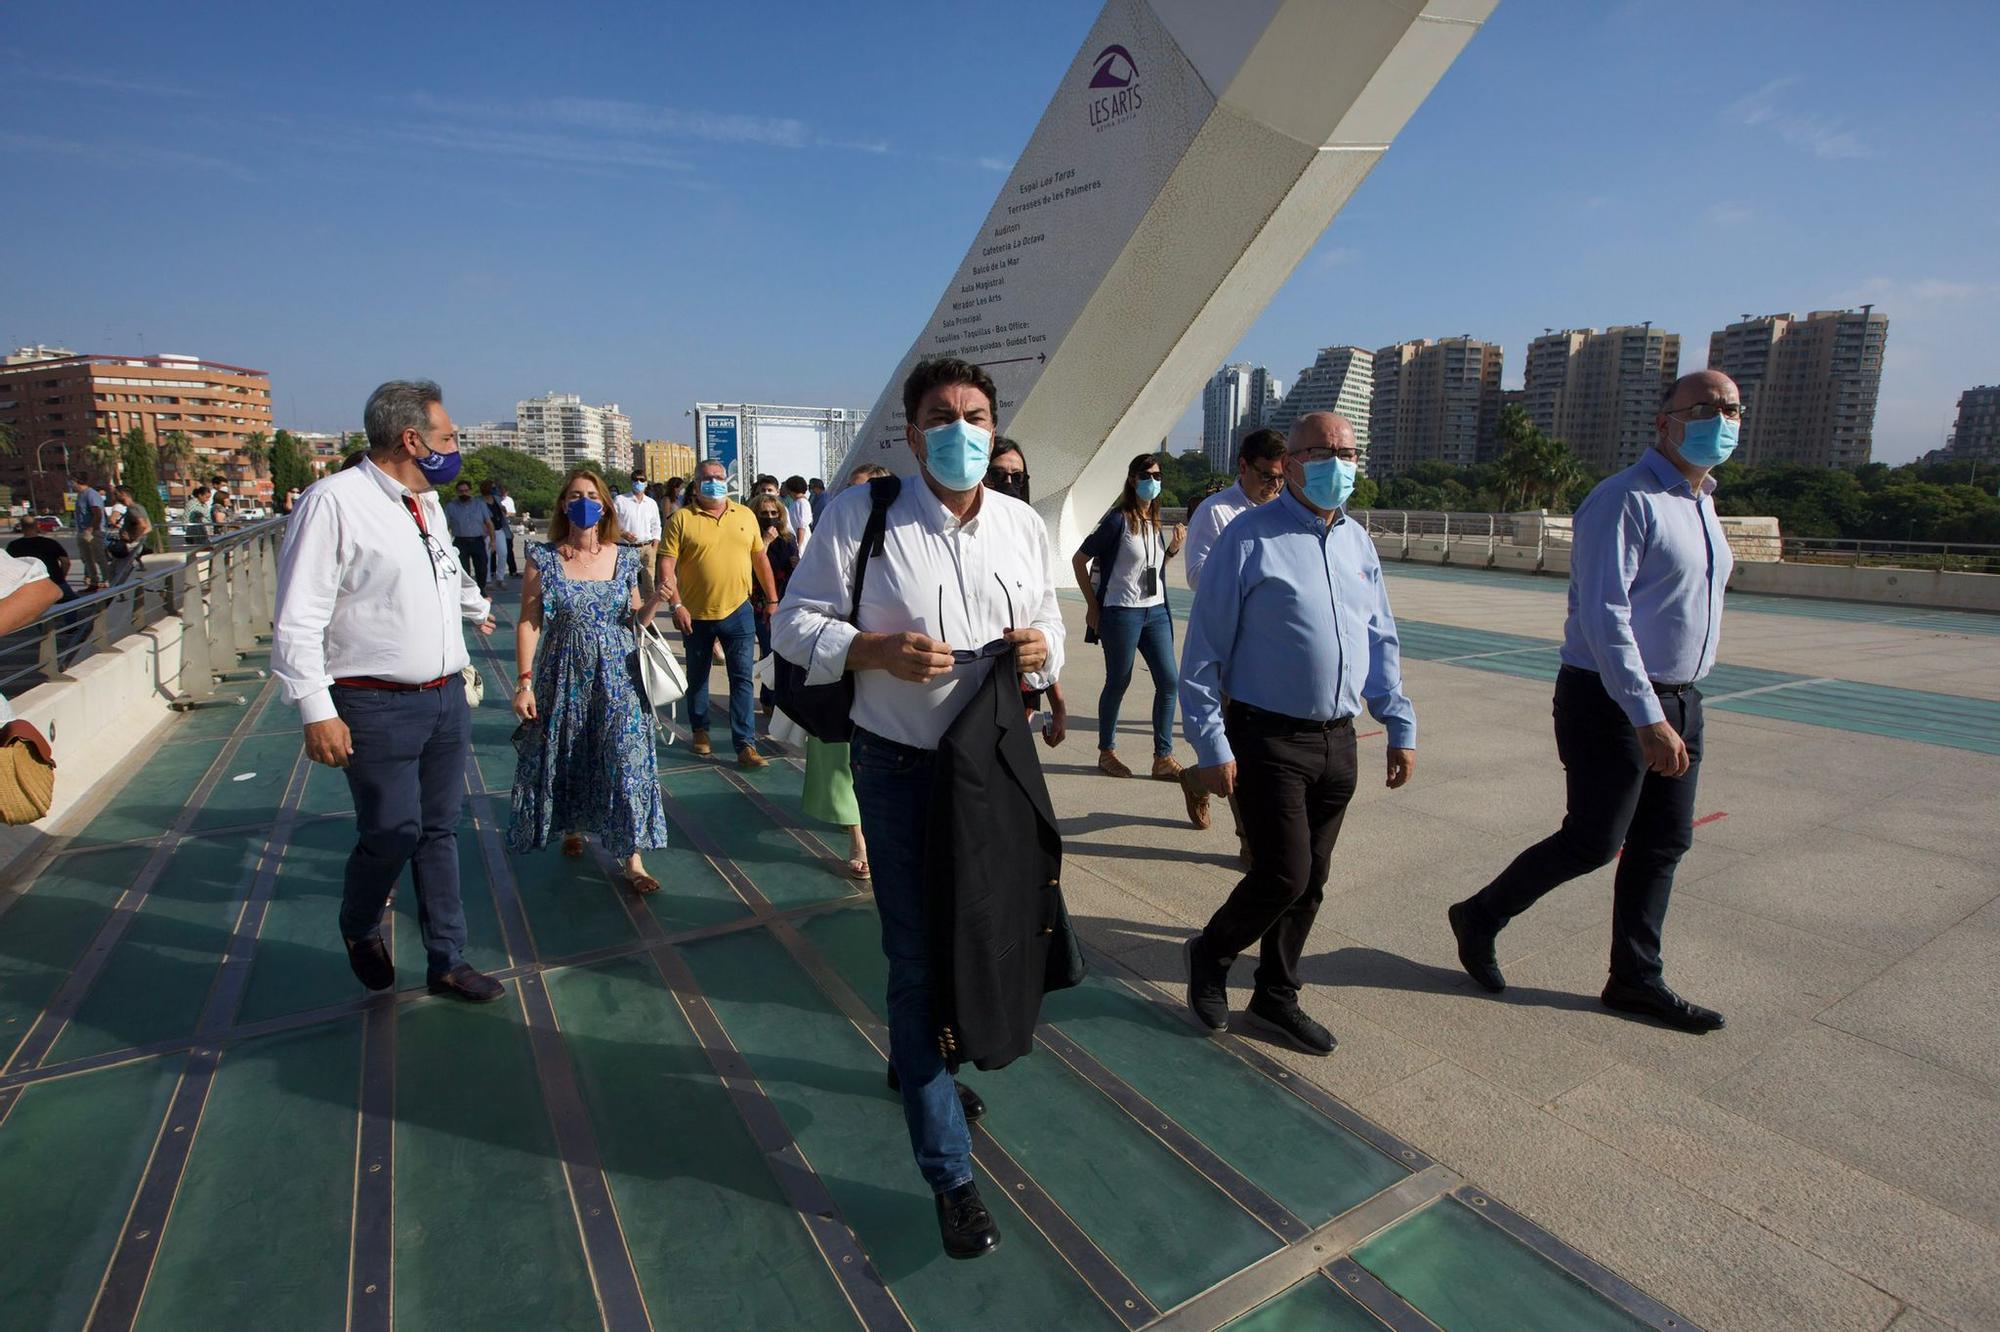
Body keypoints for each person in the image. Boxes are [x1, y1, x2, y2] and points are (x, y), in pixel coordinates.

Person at [775, 356, 1063, 1261]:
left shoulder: (1020, 524)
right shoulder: (861, 515)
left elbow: (1052, 639)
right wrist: (872, 650)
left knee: (987, 931)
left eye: (976, 415)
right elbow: (793, 625)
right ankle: (951, 1174)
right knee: (911, 957)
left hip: (996, 770)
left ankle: (922, 1059)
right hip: (898, 770)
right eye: (942, 415)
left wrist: (1038, 654)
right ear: (910, 432)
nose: (963, 429)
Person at [1447, 372, 1740, 1034]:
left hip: (1682, 698)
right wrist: (1648, 718)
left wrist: (1676, 708)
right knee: (1593, 839)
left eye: (1731, 409)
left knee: (1663, 844)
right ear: (1664, 422)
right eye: (1706, 409)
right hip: (1611, 699)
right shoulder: (1624, 499)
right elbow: (1608, 620)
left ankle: (1635, 979)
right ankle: (1480, 916)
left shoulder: (1703, 503)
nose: (1722, 419)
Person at [1179, 412, 1417, 1056]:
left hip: (1339, 738)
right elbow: (1202, 653)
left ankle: (1275, 996)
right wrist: (1210, 743)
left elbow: (1380, 636)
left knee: (1312, 880)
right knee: (1282, 872)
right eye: (1321, 451)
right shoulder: (1249, 539)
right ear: (1290, 462)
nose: (1336, 462)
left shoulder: (1358, 543)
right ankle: (1211, 952)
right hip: (1266, 736)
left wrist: (1397, 718)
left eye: (1347, 451)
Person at [271, 378, 502, 1003]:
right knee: (393, 832)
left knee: (439, 830)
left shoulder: (424, 502)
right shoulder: (334, 503)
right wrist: (316, 709)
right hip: (375, 703)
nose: (457, 448)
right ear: (411, 439)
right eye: (448, 436)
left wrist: (476, 605)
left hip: (445, 697)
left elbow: (442, 572)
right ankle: (359, 921)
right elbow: (298, 617)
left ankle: (447, 959)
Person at [509, 467, 670, 891]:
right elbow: (528, 622)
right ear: (564, 504)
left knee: (625, 756)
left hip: (620, 674)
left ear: (605, 506)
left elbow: (634, 620)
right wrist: (524, 682)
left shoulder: (626, 556)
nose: (585, 502)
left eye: (592, 495)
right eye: (576, 495)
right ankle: (573, 826)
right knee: (571, 748)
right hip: (563, 672)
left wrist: (654, 600)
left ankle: (631, 858)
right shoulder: (543, 558)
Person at [1073, 453, 1208, 825]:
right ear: (1132, 479)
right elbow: (1078, 560)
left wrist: (1172, 551)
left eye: (1158, 474)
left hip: (1156, 611)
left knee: (1169, 681)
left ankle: (1162, 757)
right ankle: (1107, 751)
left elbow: (1149, 572)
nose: (1154, 480)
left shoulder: (1154, 519)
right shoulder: (1118, 520)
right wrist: (1092, 606)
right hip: (1121, 613)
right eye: (1147, 474)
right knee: (1119, 680)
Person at [658, 459, 777, 768]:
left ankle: (745, 745)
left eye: (719, 477)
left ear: (728, 481)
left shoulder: (746, 515)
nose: (714, 482)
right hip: (695, 614)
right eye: (707, 478)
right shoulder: (681, 520)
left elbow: (760, 559)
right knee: (698, 678)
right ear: (696, 485)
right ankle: (700, 730)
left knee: (742, 679)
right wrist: (676, 604)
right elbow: (667, 566)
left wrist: (773, 599)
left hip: (738, 611)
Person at [986, 441, 1068, 747]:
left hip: (1020, 686)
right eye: (998, 474)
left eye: (1017, 477)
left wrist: (1057, 704)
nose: (1009, 483)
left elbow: (1042, 621)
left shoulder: (1031, 534)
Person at [1184, 427, 1287, 593]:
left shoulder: (1286, 511)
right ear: (1243, 466)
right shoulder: (1213, 511)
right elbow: (1196, 578)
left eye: (1282, 478)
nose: (1275, 485)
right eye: (1267, 476)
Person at [750, 491, 800, 718]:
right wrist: (766, 542)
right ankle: (769, 699)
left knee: (784, 652)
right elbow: (751, 567)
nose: (769, 517)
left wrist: (796, 563)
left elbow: (794, 568)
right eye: (764, 513)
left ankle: (779, 699)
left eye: (774, 513)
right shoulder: (753, 539)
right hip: (761, 603)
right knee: (769, 650)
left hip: (785, 601)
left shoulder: (788, 539)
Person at [614, 469, 663, 601]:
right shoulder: (620, 500)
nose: (638, 482)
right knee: (626, 583)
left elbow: (656, 525)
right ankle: (628, 614)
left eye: (642, 480)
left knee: (649, 584)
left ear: (646, 483)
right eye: (635, 479)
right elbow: (610, 523)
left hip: (647, 547)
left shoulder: (651, 503)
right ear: (631, 482)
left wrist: (655, 544)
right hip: (626, 547)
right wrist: (623, 533)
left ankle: (648, 618)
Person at [443, 479, 494, 597]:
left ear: (470, 491)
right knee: (463, 570)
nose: (463, 493)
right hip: (460, 542)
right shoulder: (451, 506)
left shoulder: (479, 504)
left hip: (477, 540)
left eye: (466, 490)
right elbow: (444, 525)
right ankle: (466, 594)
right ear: (457, 492)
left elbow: (488, 522)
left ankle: (482, 590)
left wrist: (493, 540)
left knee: (481, 568)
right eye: (461, 491)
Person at [108, 485, 152, 585]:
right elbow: (149, 527)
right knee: (115, 570)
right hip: (133, 544)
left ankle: (116, 595)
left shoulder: (133, 509)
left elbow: (143, 525)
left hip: (129, 545)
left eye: (116, 494)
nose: (115, 497)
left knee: (117, 572)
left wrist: (132, 538)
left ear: (123, 495)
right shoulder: (139, 507)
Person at [72, 478, 109, 593]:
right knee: (87, 558)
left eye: (72, 483)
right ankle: (94, 582)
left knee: (99, 556)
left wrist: (91, 529)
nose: (71, 485)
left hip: (93, 531)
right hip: (82, 530)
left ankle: (107, 580)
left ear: (78, 482)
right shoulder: (80, 495)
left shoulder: (91, 494)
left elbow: (97, 513)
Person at [782, 474, 814, 552]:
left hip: (802, 542)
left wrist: (798, 547)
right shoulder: (796, 502)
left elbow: (801, 527)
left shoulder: (802, 503)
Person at [495, 483, 519, 578]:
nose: (503, 494)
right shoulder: (495, 499)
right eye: (501, 492)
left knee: (509, 550)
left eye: (504, 492)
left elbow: (513, 513)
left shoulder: (509, 500)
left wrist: (505, 513)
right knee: (493, 551)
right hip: (495, 526)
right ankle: (493, 571)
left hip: (506, 526)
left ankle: (512, 570)